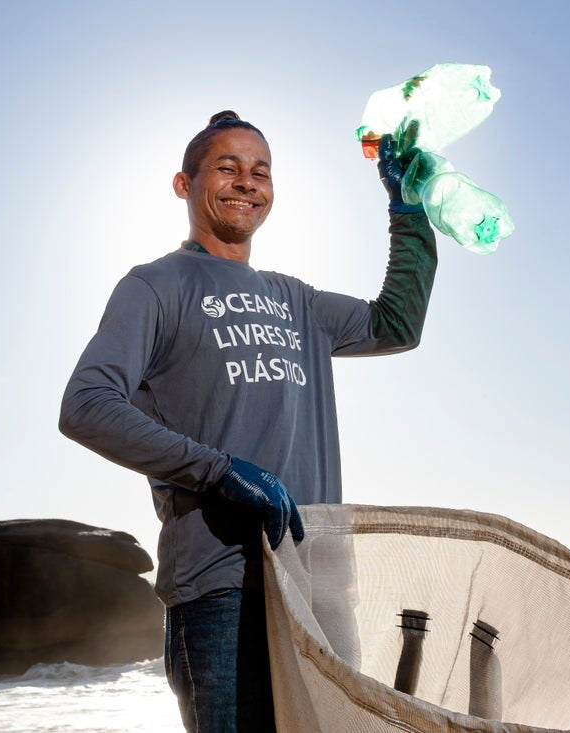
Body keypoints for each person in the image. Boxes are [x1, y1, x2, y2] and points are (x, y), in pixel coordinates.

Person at [58, 111, 437, 732]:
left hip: (318, 581)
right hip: (222, 584)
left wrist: (409, 211)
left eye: (260, 171)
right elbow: (87, 405)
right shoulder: (155, 286)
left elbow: (398, 325)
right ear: (185, 184)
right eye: (226, 167)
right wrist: (220, 470)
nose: (246, 182)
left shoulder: (299, 300)